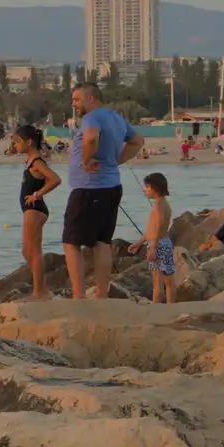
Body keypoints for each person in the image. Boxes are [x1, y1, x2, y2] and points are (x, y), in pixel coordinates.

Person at [62, 83, 144, 300]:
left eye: (76, 99)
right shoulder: (115, 118)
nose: (73, 103)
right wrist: (116, 161)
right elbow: (138, 141)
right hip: (111, 187)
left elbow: (90, 137)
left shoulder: (92, 117)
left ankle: (78, 296)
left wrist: (86, 160)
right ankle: (101, 294)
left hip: (89, 189)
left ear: (90, 99)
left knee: (71, 242)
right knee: (102, 243)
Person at [13, 124, 61, 300]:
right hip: (30, 210)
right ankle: (40, 289)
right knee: (27, 251)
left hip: (35, 210)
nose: (15, 145)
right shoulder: (30, 161)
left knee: (33, 251)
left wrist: (38, 194)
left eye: (18, 142)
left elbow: (55, 179)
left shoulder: (37, 162)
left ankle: (40, 292)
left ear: (29, 142)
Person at [130, 172, 176, 303]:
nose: (145, 190)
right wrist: (139, 243)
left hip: (158, 244)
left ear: (154, 188)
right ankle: (170, 307)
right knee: (168, 279)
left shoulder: (157, 206)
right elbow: (152, 229)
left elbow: (158, 227)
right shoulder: (164, 204)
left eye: (147, 187)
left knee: (157, 281)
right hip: (165, 243)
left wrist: (152, 248)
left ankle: (156, 309)